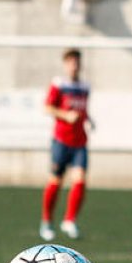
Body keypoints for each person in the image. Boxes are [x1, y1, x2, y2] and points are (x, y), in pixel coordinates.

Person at [39, 48, 91, 241]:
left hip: (80, 142)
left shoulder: (85, 86)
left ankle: (70, 220)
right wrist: (65, 115)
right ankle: (46, 222)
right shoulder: (58, 84)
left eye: (77, 62)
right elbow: (47, 107)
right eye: (71, 62)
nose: (74, 66)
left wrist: (89, 119)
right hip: (61, 141)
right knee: (56, 182)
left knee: (80, 180)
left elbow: (82, 110)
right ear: (66, 64)